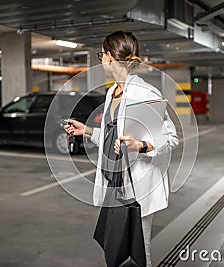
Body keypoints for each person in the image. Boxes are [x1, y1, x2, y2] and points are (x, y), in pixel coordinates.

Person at [64, 30, 178, 267]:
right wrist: (86, 131)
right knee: (115, 244)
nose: (101, 60)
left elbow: (171, 138)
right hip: (115, 182)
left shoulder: (145, 93)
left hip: (139, 185)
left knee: (139, 250)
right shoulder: (111, 93)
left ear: (109, 57)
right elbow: (112, 137)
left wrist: (141, 146)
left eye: (101, 55)